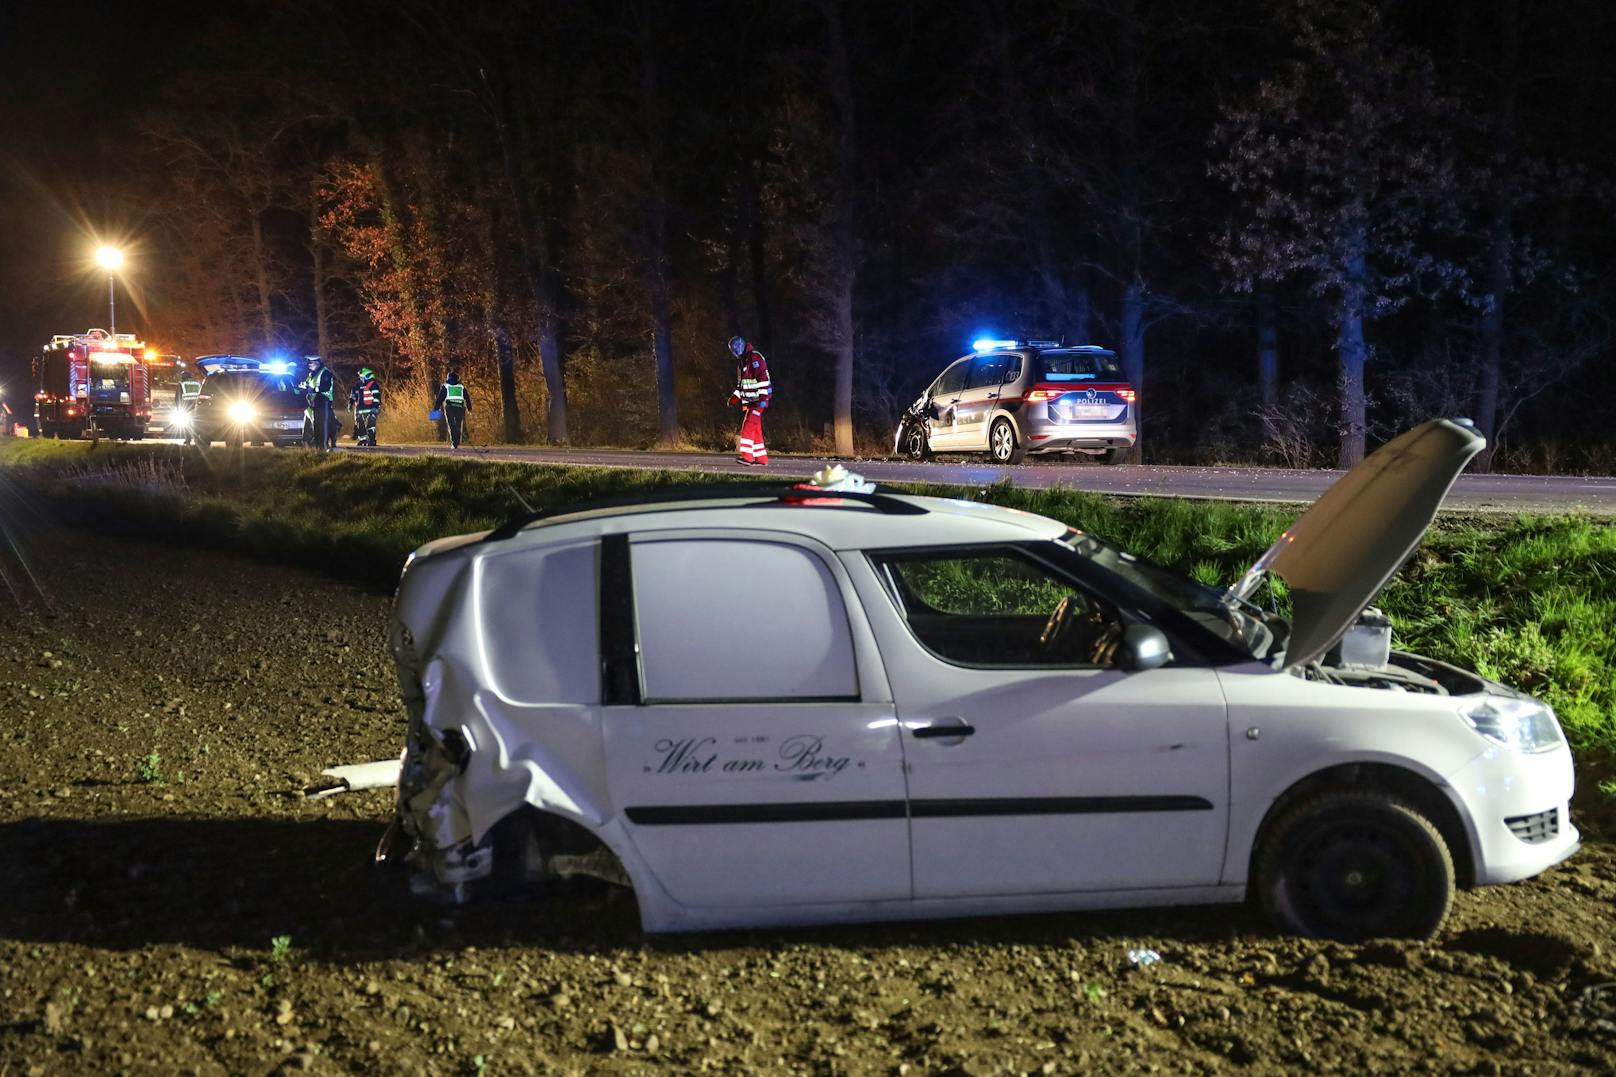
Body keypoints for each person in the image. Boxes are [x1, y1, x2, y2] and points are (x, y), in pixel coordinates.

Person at [726, 335, 772, 465]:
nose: (734, 352)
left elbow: (763, 380)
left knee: (748, 426)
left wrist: (763, 400)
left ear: (740, 346)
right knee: (756, 430)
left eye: (735, 349)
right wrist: (735, 397)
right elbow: (743, 385)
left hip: (758, 401)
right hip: (752, 401)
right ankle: (761, 458)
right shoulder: (743, 361)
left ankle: (746, 457)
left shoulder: (754, 358)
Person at [299, 354, 336, 451]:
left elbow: (325, 387)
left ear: (317, 363)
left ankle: (322, 447)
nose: (309, 365)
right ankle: (309, 446)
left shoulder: (325, 373)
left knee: (321, 425)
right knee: (309, 425)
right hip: (312, 402)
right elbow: (307, 383)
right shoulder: (312, 374)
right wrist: (303, 385)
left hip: (323, 401)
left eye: (310, 363)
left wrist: (311, 388)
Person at [433, 371, 471, 449]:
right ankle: (456, 441)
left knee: (451, 425)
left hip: (449, 408)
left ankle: (454, 443)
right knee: (458, 425)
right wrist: (469, 408)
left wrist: (436, 409)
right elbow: (467, 397)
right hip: (460, 408)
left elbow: (440, 398)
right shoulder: (461, 387)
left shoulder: (446, 386)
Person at [349, 366, 382, 446]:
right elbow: (353, 395)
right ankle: (363, 440)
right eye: (360, 377)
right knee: (360, 426)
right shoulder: (357, 385)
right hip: (360, 410)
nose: (361, 378)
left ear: (367, 376)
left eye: (362, 377)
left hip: (371, 409)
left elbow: (377, 397)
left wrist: (375, 407)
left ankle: (371, 440)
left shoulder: (373, 385)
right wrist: (350, 403)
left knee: (370, 425)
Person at [175, 366, 201, 445]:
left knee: (187, 425)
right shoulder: (197, 383)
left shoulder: (182, 384)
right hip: (197, 407)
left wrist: (178, 408)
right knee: (197, 425)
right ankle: (198, 440)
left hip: (186, 408)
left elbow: (178, 397)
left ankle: (188, 440)